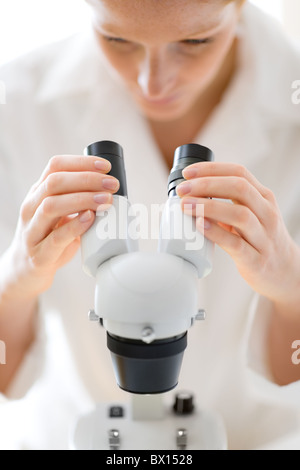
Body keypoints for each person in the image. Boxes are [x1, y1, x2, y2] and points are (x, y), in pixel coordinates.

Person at [0, 0, 300, 450]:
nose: (151, 82)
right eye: (117, 39)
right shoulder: (17, 100)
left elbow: (287, 374)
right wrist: (16, 279)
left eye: (195, 41)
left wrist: (291, 286)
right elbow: (7, 375)